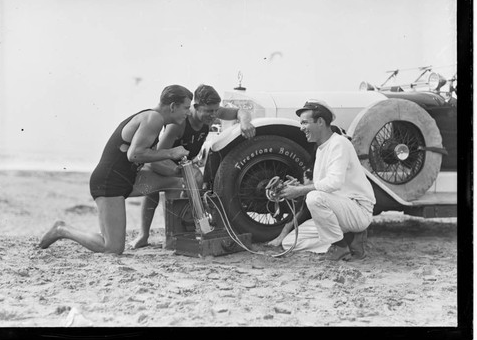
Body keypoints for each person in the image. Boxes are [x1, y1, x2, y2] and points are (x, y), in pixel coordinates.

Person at [38, 85, 194, 254]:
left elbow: (151, 160)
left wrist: (177, 170)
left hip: (129, 181)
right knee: (112, 247)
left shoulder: (155, 119)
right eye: (186, 108)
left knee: (176, 182)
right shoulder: (153, 118)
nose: (188, 113)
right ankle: (62, 229)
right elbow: (134, 155)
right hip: (109, 183)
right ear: (173, 106)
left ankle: (174, 239)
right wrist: (172, 152)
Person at [130, 84, 256, 249]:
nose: (213, 115)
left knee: (191, 192)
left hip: (183, 164)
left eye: (215, 111)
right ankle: (145, 235)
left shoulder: (213, 112)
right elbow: (158, 156)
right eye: (209, 111)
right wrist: (179, 172)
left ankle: (179, 235)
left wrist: (245, 123)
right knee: (156, 193)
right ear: (195, 107)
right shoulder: (179, 125)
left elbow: (241, 112)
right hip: (163, 163)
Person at [267, 99, 376, 261]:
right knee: (290, 243)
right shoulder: (321, 149)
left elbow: (333, 183)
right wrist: (300, 187)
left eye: (305, 122)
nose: (301, 128)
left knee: (313, 198)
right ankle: (349, 240)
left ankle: (340, 247)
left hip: (358, 209)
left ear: (320, 122)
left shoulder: (339, 143)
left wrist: (300, 190)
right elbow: (322, 187)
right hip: (340, 211)